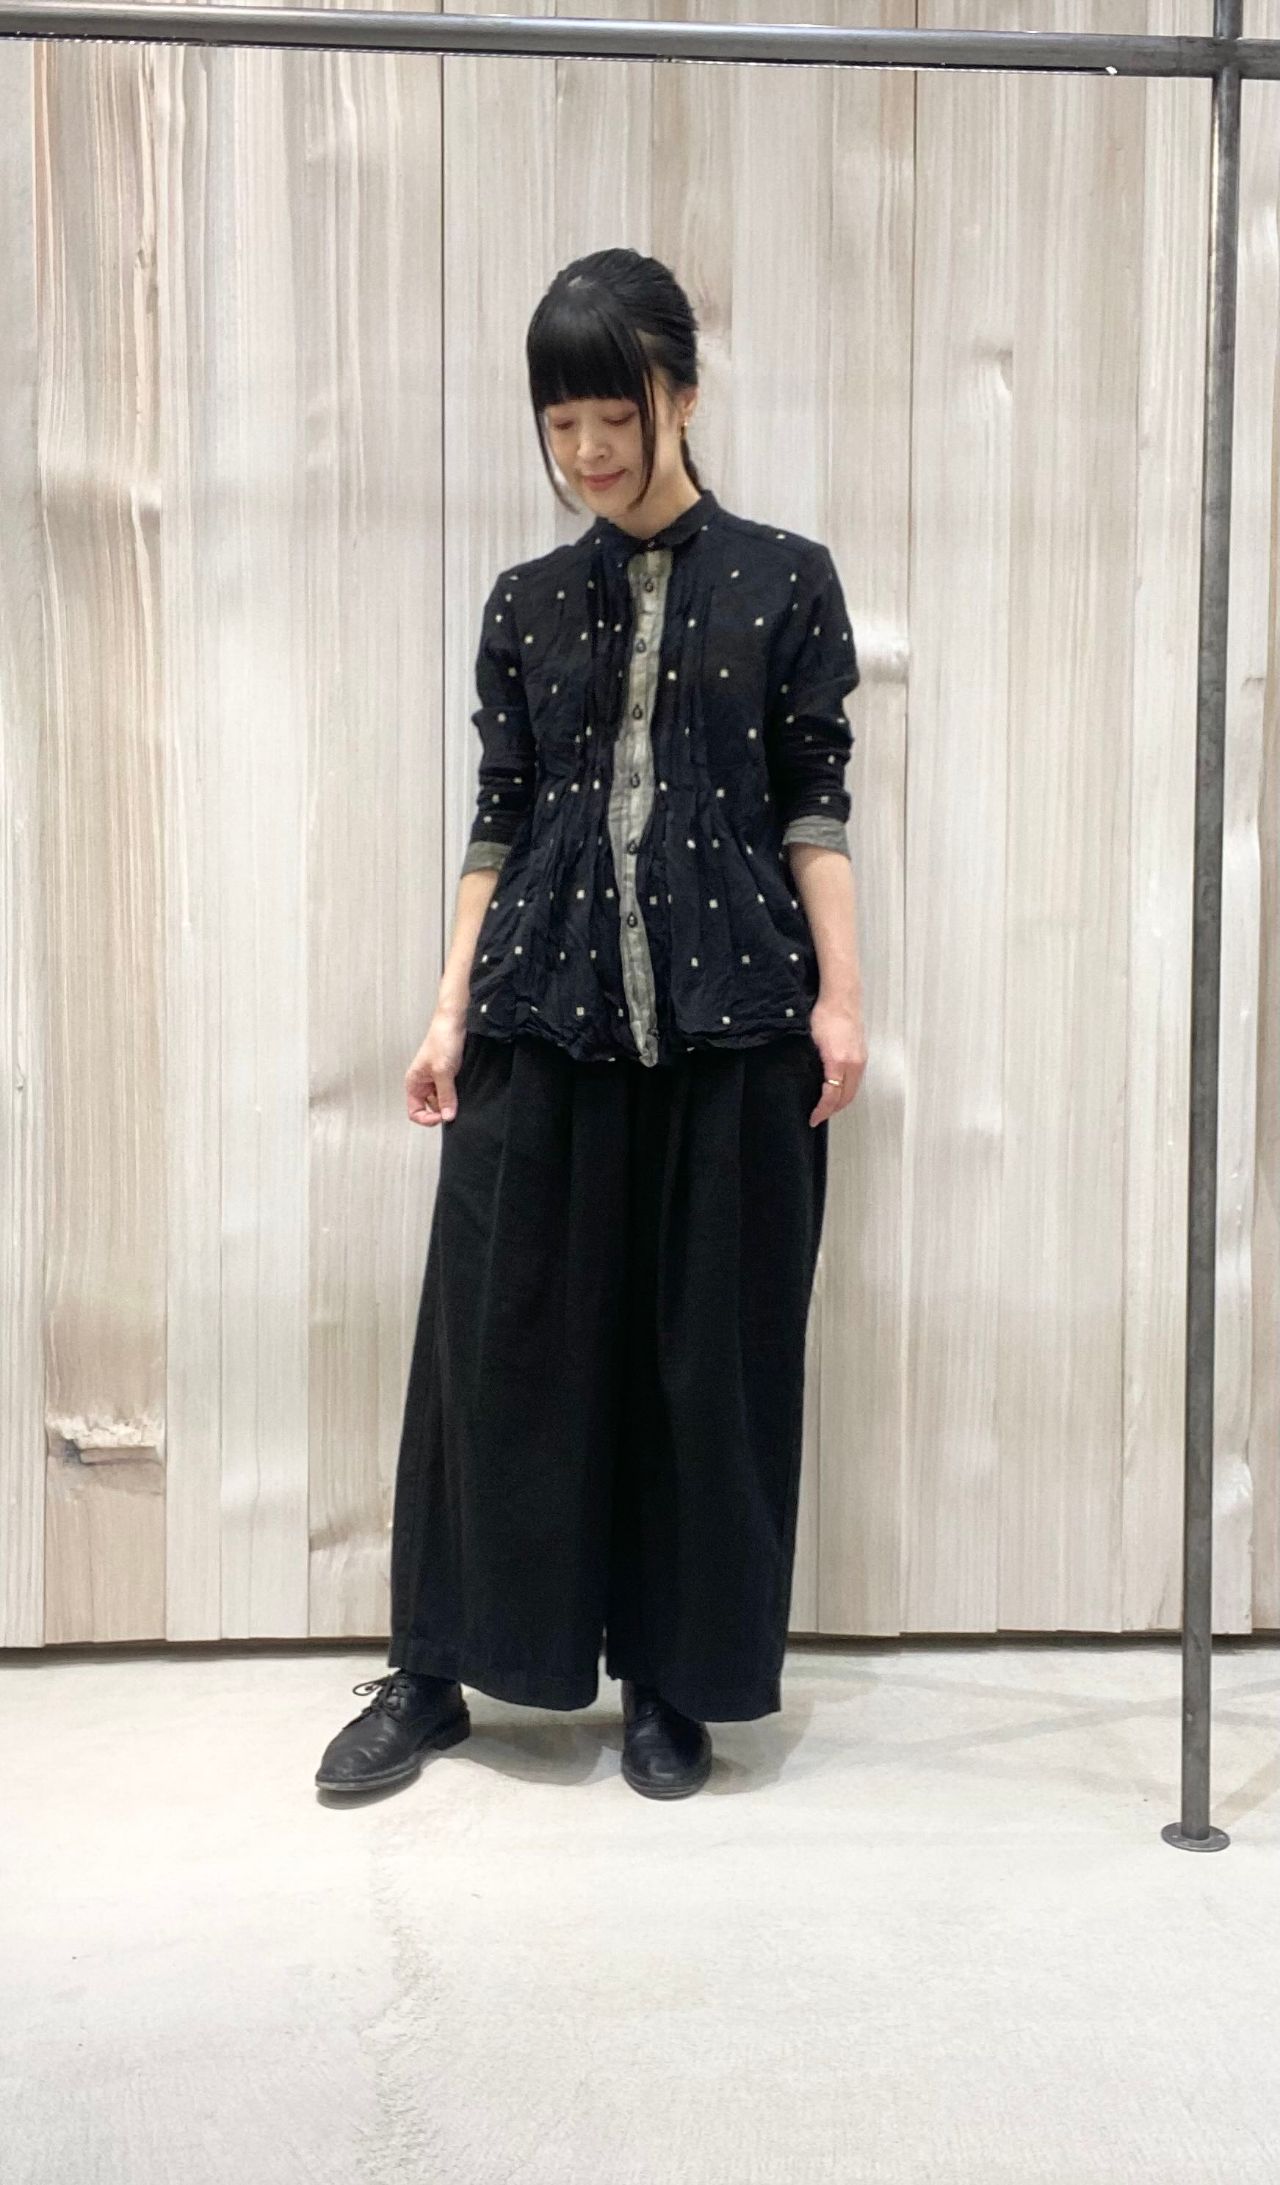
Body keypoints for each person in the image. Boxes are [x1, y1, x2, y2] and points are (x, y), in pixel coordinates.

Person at [316, 248, 867, 1803]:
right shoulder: (528, 603)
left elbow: (814, 804)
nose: (587, 449)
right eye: (560, 422)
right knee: (495, 1353)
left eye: (612, 413)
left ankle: (673, 1686)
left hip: (733, 1022)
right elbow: (498, 816)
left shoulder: (784, 580)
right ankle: (433, 1671)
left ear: (680, 393)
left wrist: (842, 997)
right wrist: (446, 1011)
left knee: (710, 1365)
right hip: (539, 1016)